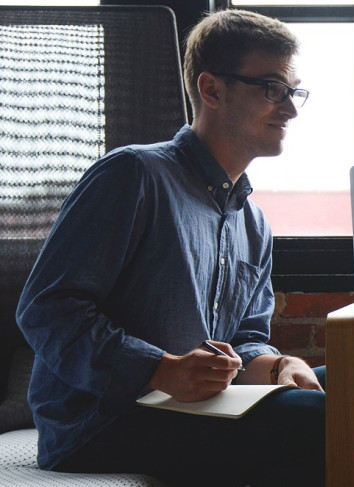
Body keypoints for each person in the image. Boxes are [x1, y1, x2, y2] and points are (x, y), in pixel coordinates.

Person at [16, 9, 325, 487]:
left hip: (198, 406)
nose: (290, 109)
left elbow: (244, 340)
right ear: (211, 89)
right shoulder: (133, 176)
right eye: (271, 88)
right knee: (325, 419)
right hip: (102, 422)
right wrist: (160, 370)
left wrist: (280, 363)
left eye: (293, 91)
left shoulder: (253, 222)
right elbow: (46, 309)